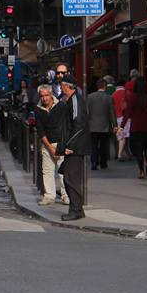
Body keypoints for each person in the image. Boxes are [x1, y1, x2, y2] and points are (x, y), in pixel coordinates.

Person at [59, 78, 90, 221]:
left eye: (62, 85)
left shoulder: (75, 100)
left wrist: (70, 145)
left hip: (74, 147)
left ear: (66, 86)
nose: (61, 88)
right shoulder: (72, 100)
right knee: (68, 176)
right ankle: (77, 208)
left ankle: (76, 209)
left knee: (72, 178)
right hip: (73, 146)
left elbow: (78, 123)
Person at [33, 84, 69, 207]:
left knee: (63, 171)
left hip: (60, 142)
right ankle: (49, 195)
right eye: (42, 96)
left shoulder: (60, 106)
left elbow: (65, 127)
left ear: (51, 95)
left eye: (46, 95)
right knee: (47, 171)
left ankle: (66, 195)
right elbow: (40, 129)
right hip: (47, 142)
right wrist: (49, 147)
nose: (44, 99)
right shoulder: (38, 109)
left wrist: (60, 146)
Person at [120, 77, 147, 179]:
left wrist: (122, 126)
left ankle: (141, 171)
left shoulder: (133, 97)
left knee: (139, 150)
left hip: (136, 126)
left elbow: (128, 112)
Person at [87, 77, 117, 170]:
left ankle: (94, 161)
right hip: (104, 124)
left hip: (92, 124)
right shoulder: (109, 98)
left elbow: (87, 111)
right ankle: (103, 162)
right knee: (104, 144)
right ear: (105, 87)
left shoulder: (90, 97)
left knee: (94, 144)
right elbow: (112, 112)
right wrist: (115, 125)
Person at [112, 78, 131, 161]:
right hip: (125, 117)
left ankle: (127, 153)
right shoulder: (128, 93)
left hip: (116, 117)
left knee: (121, 136)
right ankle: (120, 155)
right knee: (123, 137)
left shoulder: (113, 95)